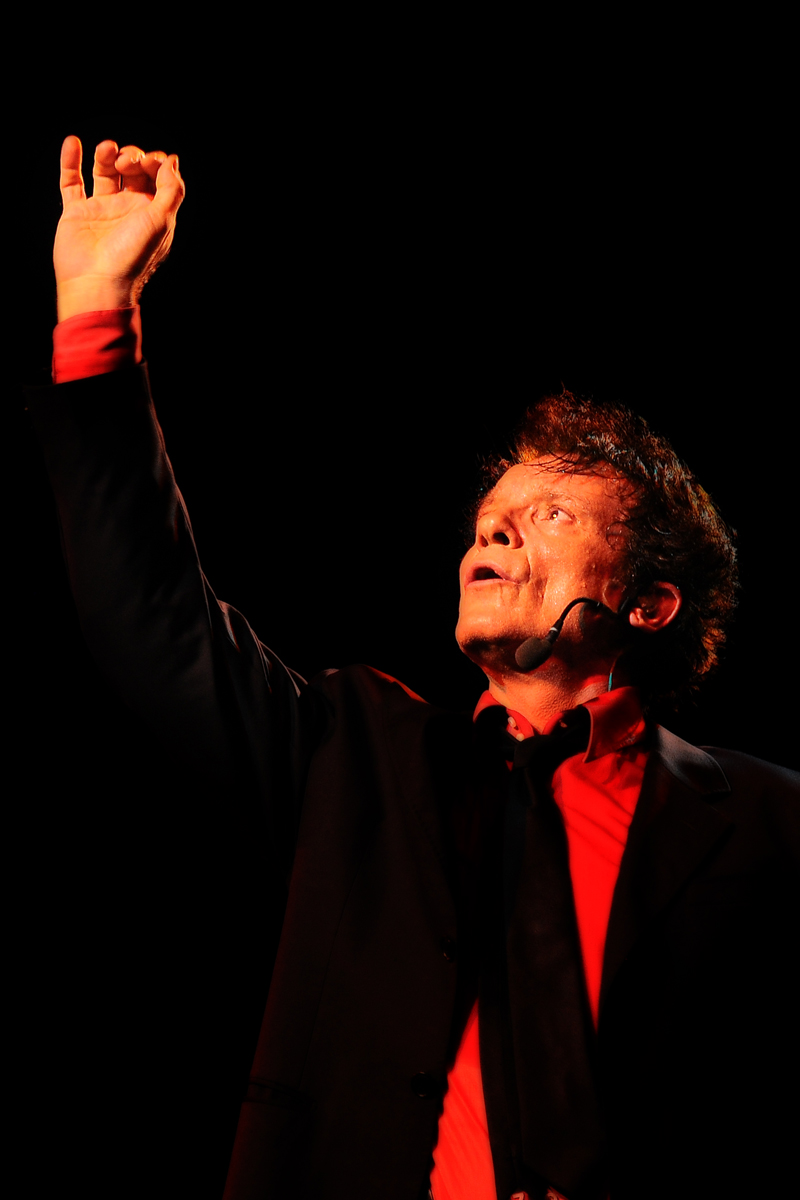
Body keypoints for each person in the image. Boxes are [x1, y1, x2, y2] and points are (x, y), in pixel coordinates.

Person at [28, 136, 799, 1200]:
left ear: (648, 603)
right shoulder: (354, 759)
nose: (494, 532)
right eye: (490, 518)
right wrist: (95, 310)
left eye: (551, 516)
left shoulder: (770, 823)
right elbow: (150, 614)